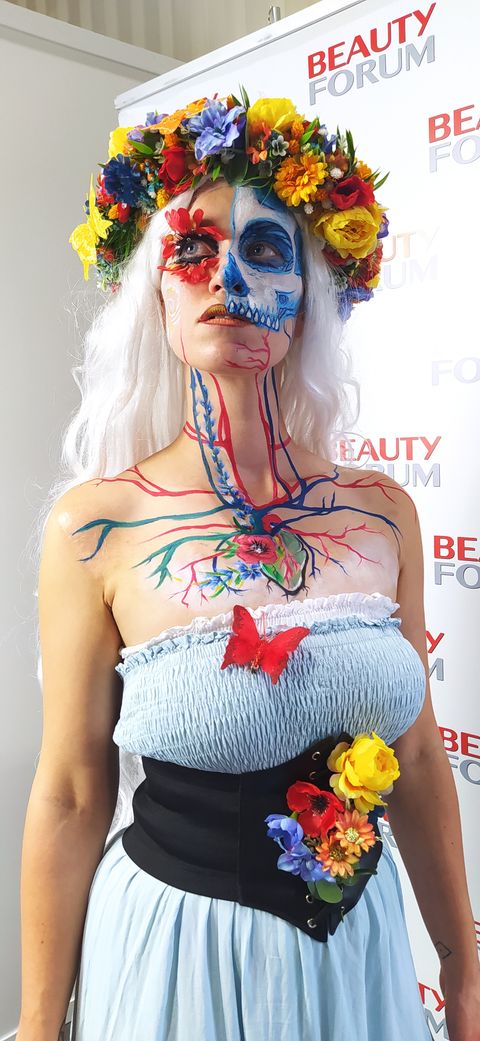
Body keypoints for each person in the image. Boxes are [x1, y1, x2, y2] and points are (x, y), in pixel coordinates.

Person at [17, 92, 480, 1041]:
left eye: (267, 249)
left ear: (310, 289)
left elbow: (423, 762)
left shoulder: (382, 512)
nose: (228, 273)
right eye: (193, 250)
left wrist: (466, 975)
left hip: (360, 955)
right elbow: (69, 791)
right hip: (178, 958)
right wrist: (35, 1020)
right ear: (156, 288)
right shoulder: (96, 527)